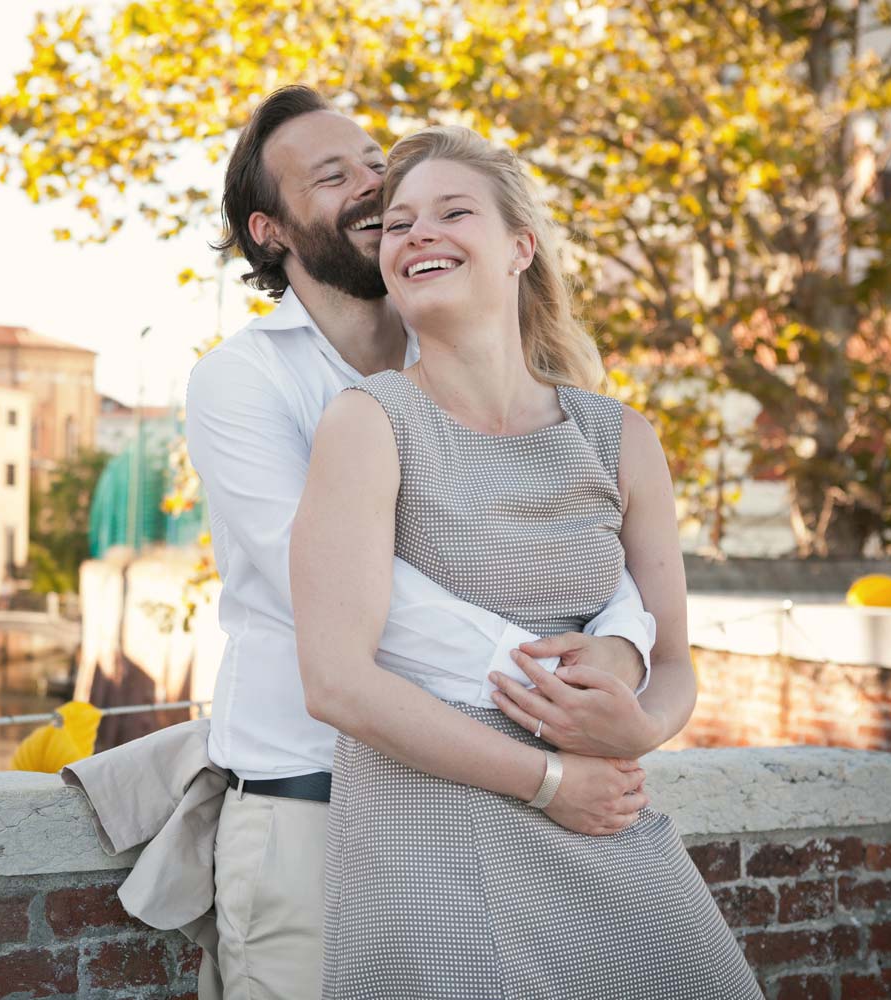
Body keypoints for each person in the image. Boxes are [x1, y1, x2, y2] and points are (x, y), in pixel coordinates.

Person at [188, 87, 699, 999]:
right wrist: (561, 708)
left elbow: (606, 564)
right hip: (313, 796)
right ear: (271, 232)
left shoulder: (568, 406)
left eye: (376, 162)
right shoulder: (249, 383)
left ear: (517, 248)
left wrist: (623, 660)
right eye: (334, 176)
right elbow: (347, 614)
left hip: (527, 788)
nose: (374, 188)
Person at [290, 125, 762, 998]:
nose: (417, 234)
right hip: (428, 828)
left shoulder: (619, 438)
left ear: (520, 247)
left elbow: (676, 662)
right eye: (397, 224)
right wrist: (550, 781)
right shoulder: (368, 422)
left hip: (604, 821)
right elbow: (338, 683)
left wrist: (645, 727)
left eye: (451, 212)